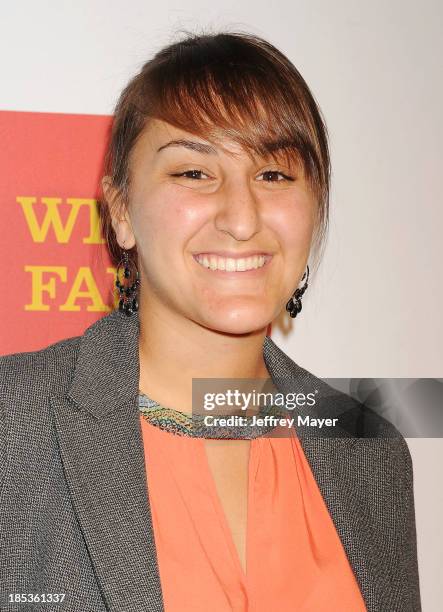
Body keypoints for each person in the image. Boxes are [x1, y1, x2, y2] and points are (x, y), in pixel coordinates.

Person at [0, 31, 421, 612]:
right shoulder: (14, 421)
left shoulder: (368, 452)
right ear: (121, 211)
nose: (242, 218)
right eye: (193, 173)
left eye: (274, 174)